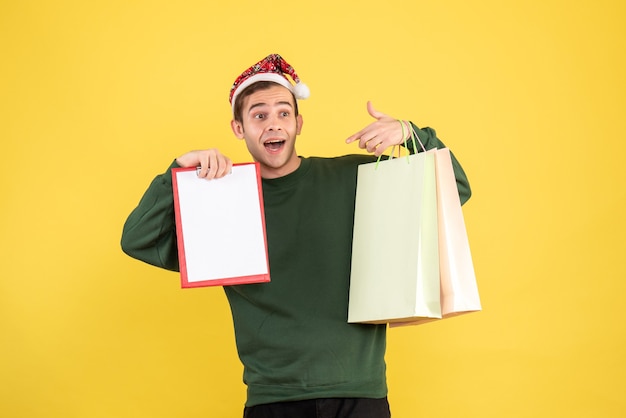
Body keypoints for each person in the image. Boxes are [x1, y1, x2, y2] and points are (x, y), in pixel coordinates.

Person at [121, 53, 471, 418]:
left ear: (299, 123)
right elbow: (138, 239)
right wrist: (178, 170)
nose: (273, 124)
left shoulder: (356, 179)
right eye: (259, 115)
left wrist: (413, 135)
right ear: (238, 128)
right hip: (273, 401)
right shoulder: (219, 201)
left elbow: (454, 190)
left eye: (283, 113)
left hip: (360, 396)